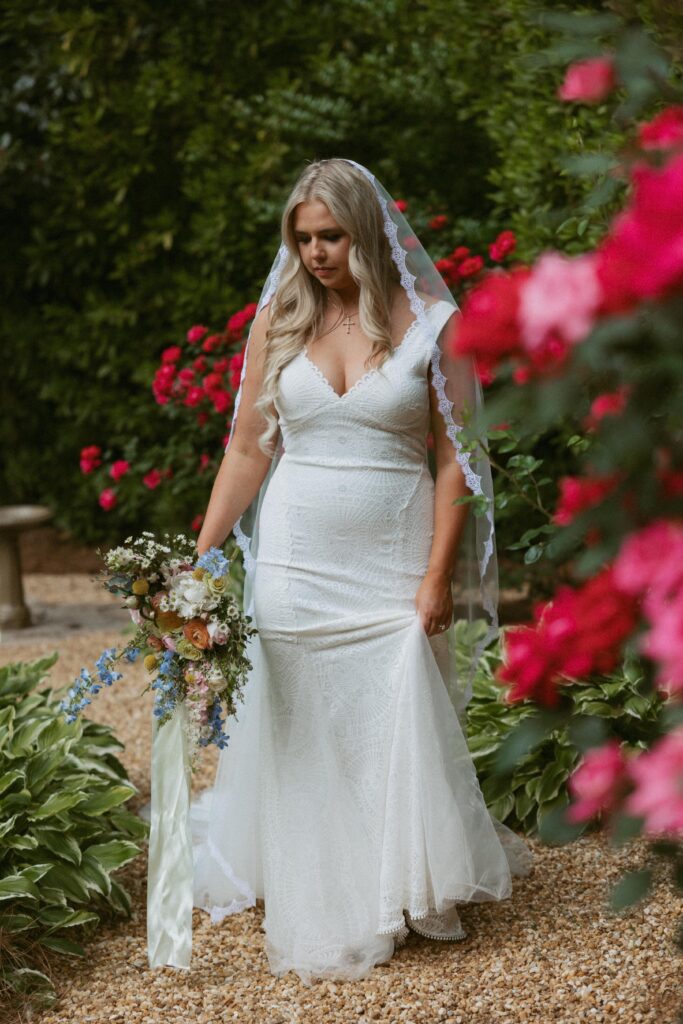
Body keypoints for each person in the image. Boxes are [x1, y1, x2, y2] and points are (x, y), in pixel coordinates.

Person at [189, 157, 533, 986]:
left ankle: (399, 881)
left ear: (368, 232)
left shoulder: (430, 322)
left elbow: (458, 460)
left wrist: (437, 574)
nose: (314, 253)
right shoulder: (276, 320)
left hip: (391, 556)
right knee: (303, 720)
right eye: (302, 239)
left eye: (330, 236)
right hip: (296, 555)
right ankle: (320, 882)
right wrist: (195, 560)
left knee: (392, 710)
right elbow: (246, 449)